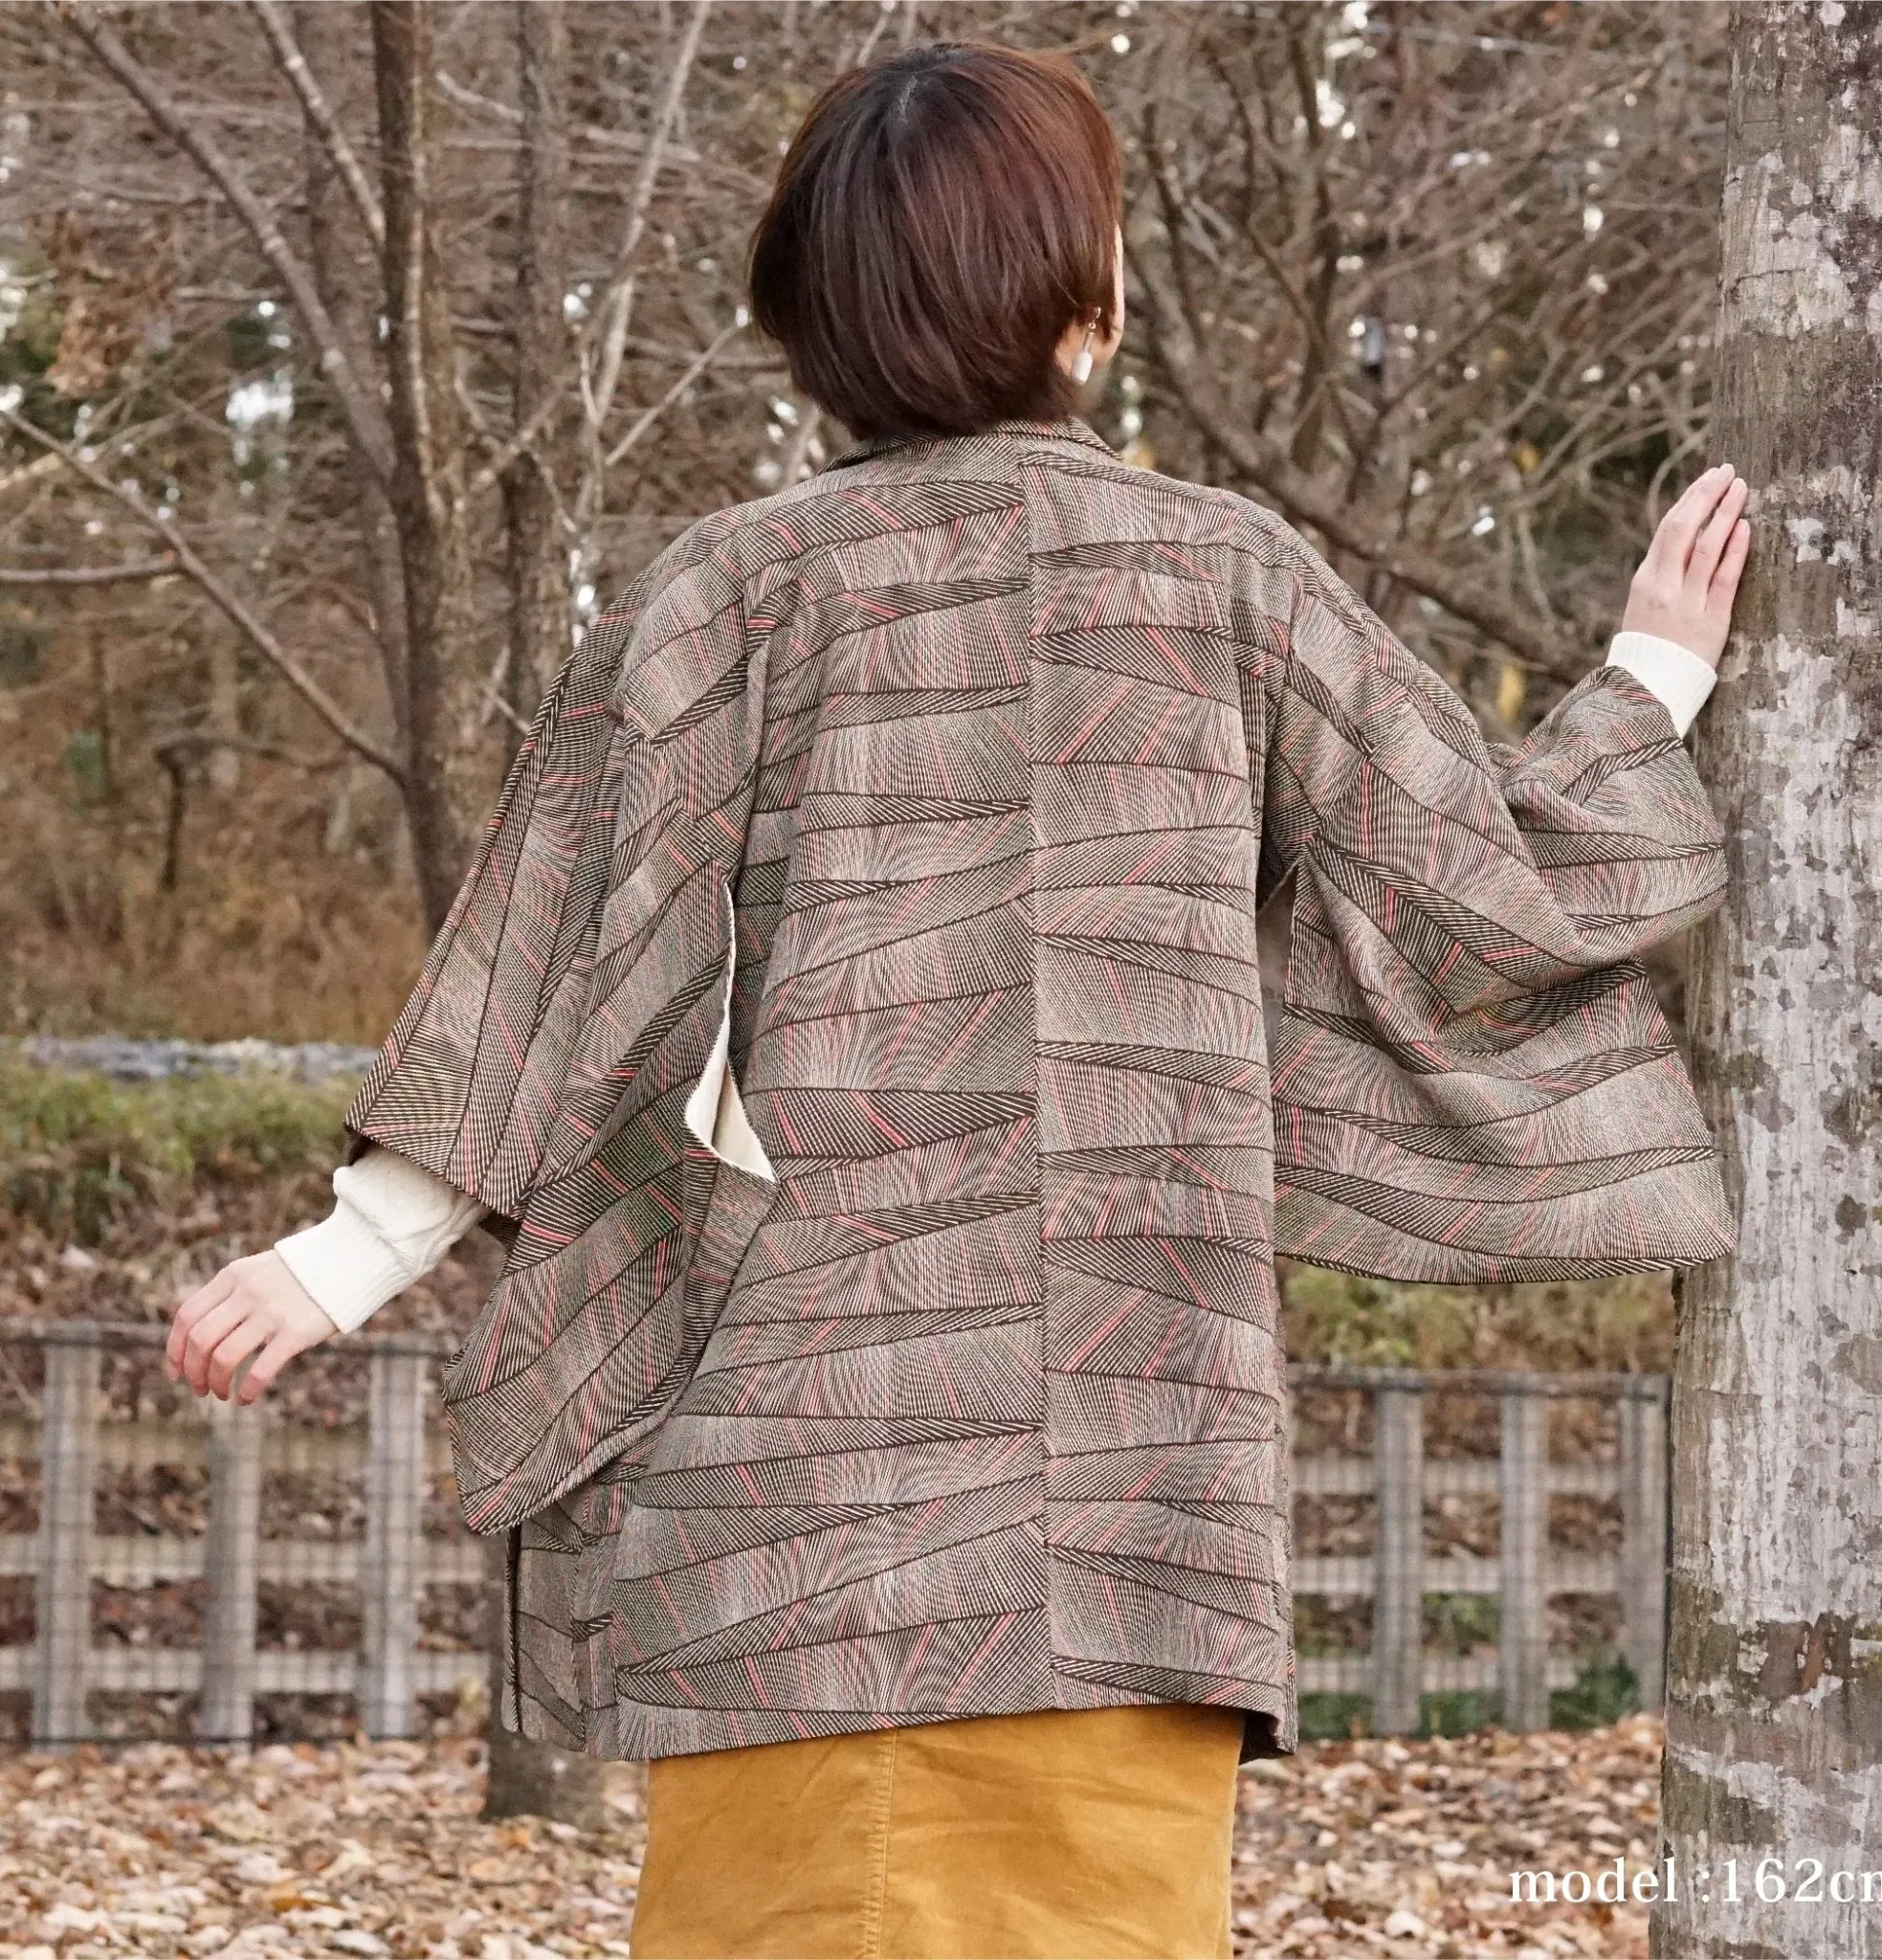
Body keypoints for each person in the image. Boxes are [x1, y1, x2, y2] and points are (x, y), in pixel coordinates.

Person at [165, 39, 1749, 1960]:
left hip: (787, 1540)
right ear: (1082, 315)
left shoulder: (723, 595)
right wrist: (1649, 685)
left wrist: (343, 1260)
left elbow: (563, 970)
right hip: (1124, 1527)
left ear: (815, 324)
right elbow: (1481, 904)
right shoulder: (1221, 579)